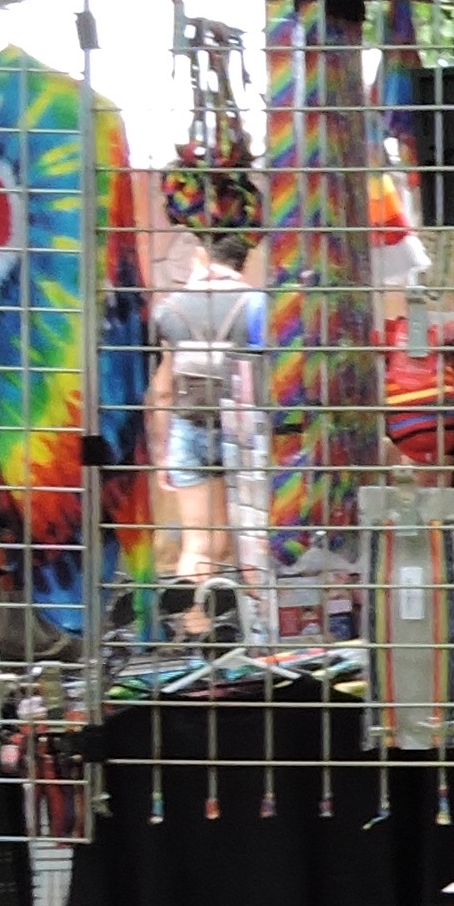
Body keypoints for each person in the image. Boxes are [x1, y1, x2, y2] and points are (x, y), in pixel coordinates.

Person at [146, 230, 265, 636]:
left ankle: (196, 637)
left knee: (199, 544)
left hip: (189, 426)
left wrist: (163, 451)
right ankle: (259, 636)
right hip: (245, 434)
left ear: (200, 255)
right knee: (252, 542)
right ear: (244, 260)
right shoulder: (257, 305)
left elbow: (163, 387)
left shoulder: (169, 309)